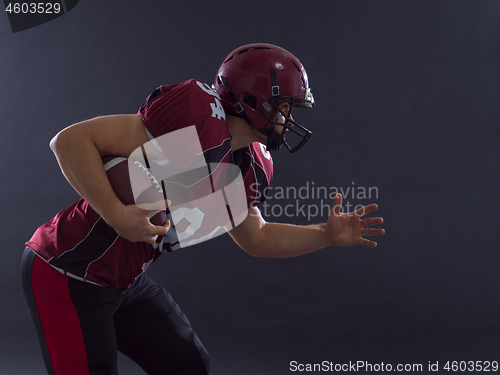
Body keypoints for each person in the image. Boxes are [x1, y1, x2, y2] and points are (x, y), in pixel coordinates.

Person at [21, 43, 385, 375]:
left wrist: (324, 233)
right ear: (253, 100)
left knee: (187, 364)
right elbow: (69, 141)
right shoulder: (196, 119)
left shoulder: (251, 165)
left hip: (123, 280)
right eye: (285, 106)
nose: (289, 120)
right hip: (68, 269)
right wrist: (115, 214)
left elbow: (256, 236)